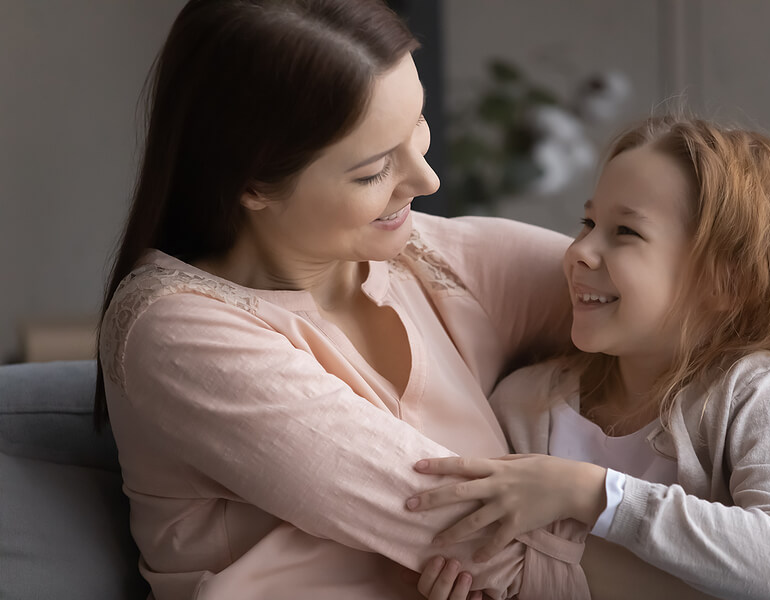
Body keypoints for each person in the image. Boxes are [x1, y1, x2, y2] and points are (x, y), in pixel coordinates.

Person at [94, 1, 594, 598]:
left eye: (418, 126)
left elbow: (681, 310)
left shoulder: (429, 259)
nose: (428, 180)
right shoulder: (175, 332)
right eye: (373, 171)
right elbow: (482, 539)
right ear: (252, 183)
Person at [407, 116, 770, 599]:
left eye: (625, 232)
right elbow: (503, 557)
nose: (580, 251)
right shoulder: (524, 402)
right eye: (589, 223)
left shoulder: (754, 390)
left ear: (727, 283)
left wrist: (590, 492)